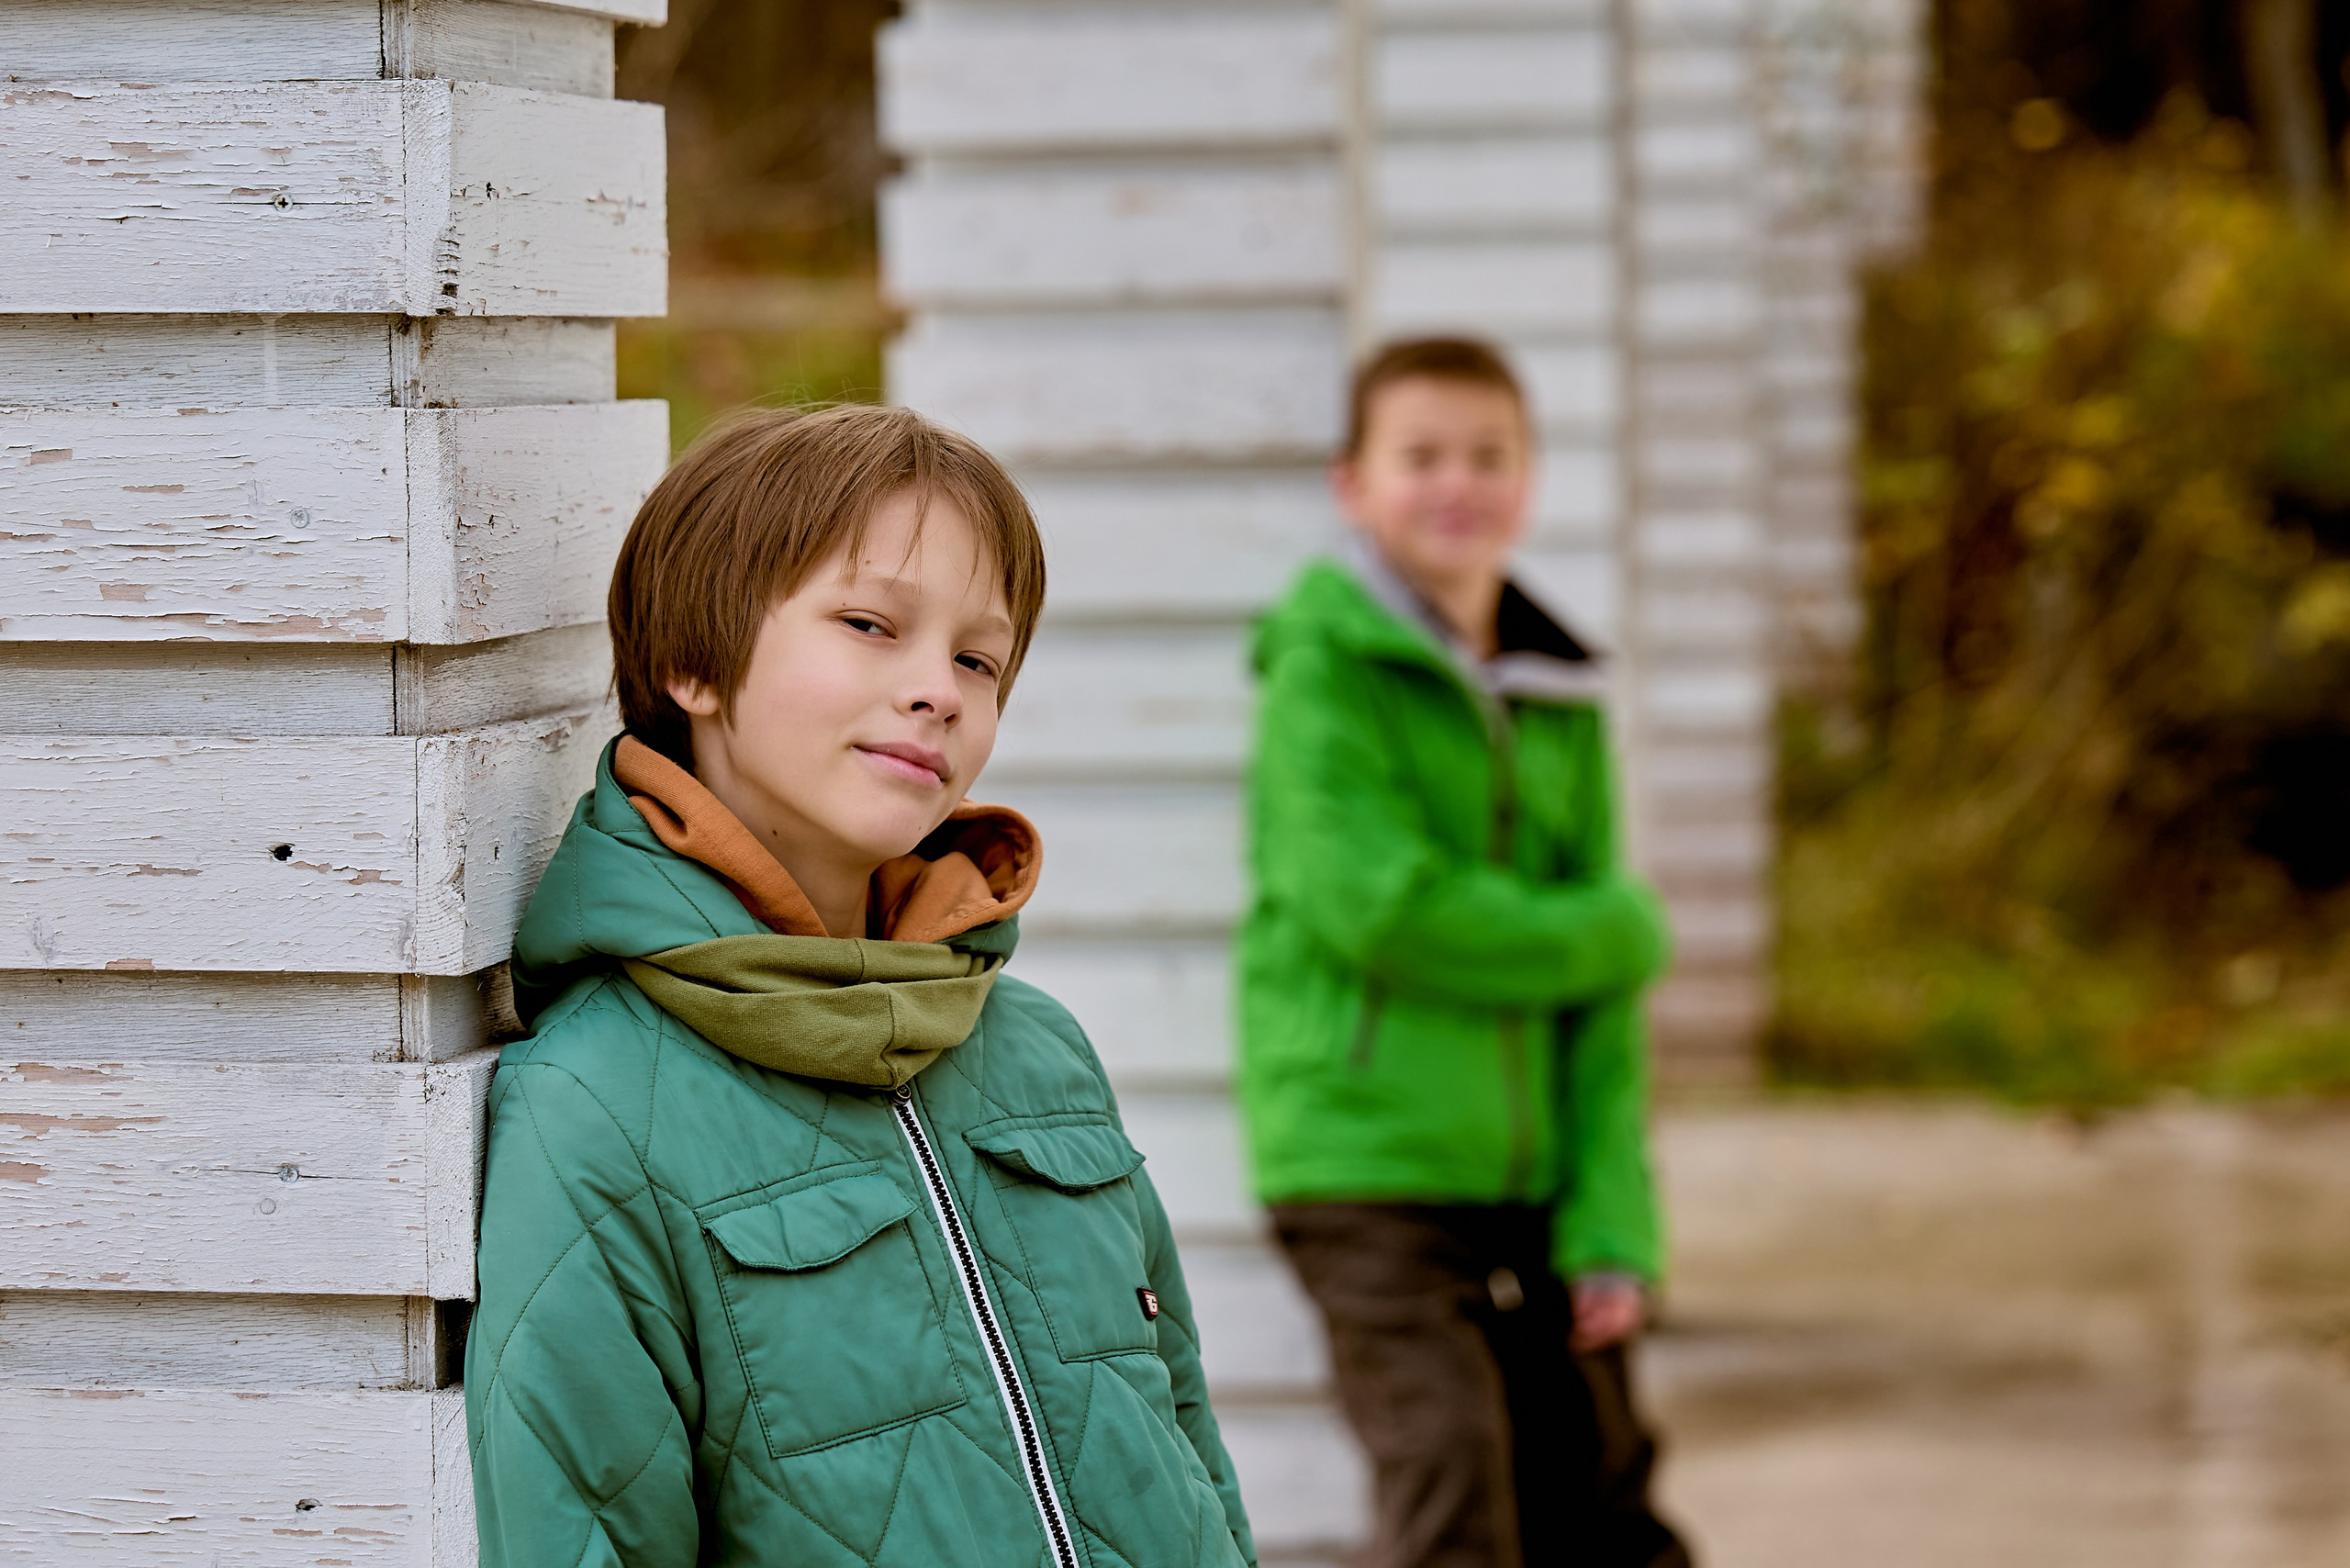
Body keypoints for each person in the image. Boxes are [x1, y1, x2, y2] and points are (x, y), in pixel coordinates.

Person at [464, 405, 1256, 1568]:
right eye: (870, 624)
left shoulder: (1037, 1050)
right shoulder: (594, 1102)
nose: (936, 687)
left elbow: (1186, 1446)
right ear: (694, 661)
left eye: (976, 659)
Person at [1238, 338, 1688, 1568]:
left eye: (1488, 455)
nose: (1458, 484)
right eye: (1421, 455)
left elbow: (1600, 1006)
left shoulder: (1558, 690)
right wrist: (1613, 926)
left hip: (1535, 1176)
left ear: (1531, 480)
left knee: (1602, 1496)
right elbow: (1381, 909)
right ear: (1353, 484)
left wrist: (1613, 1225)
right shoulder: (1323, 669)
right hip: (1364, 1156)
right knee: (1452, 1483)